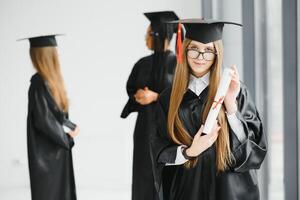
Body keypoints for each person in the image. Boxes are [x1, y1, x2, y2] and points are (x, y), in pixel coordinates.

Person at [150, 19, 267, 200]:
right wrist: (190, 152)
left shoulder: (235, 90)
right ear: (185, 49)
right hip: (187, 189)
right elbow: (158, 146)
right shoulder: (169, 97)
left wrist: (231, 107)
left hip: (229, 189)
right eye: (194, 49)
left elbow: (253, 144)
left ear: (217, 54)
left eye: (208, 51)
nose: (200, 57)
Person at [120, 11, 180, 200]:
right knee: (143, 171)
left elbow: (182, 96)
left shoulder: (177, 64)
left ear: (158, 34)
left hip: (167, 129)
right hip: (144, 128)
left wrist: (156, 96)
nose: (145, 38)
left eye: (148, 33)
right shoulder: (142, 63)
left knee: (164, 171)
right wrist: (138, 96)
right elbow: (130, 88)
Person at [25, 35, 79, 200]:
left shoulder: (45, 81)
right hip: (51, 150)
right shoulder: (44, 82)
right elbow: (46, 118)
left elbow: (50, 116)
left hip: (51, 151)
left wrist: (70, 128)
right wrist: (67, 137)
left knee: (55, 192)